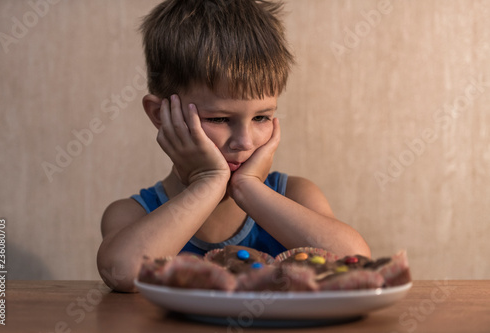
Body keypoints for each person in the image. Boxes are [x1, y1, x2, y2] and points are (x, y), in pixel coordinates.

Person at [97, 0, 370, 292]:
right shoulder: (134, 215)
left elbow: (355, 261)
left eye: (262, 117)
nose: (245, 141)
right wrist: (208, 183)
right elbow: (122, 272)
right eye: (220, 118)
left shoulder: (296, 196)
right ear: (160, 115)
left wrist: (248, 188)